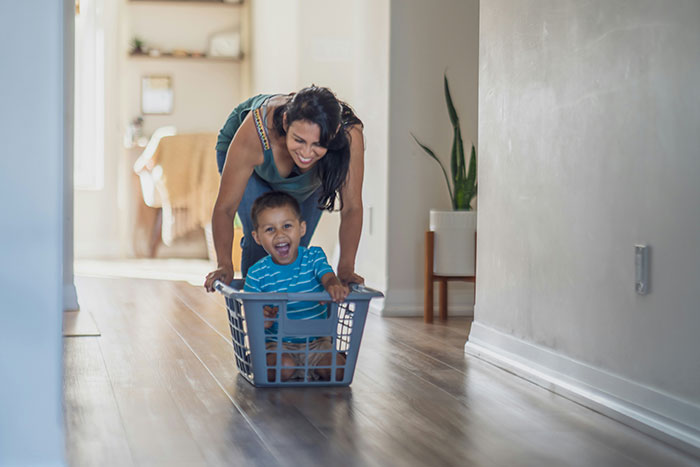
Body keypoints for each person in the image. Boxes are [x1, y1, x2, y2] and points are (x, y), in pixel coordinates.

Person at [203, 85, 365, 292]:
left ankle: (289, 320)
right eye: (299, 140)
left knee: (292, 248)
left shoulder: (349, 135)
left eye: (318, 143)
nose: (307, 152)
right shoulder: (257, 131)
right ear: (287, 121)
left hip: (308, 174)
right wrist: (224, 264)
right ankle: (259, 319)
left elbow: (352, 207)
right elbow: (225, 208)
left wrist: (346, 269)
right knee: (263, 240)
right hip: (250, 159)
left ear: (333, 135)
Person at [243, 191, 348, 382]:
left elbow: (327, 276)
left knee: (339, 369)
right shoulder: (256, 273)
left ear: (302, 228)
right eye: (269, 229)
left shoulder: (314, 257)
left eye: (287, 226)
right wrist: (264, 319)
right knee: (283, 366)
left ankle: (309, 371)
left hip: (317, 344)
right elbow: (253, 322)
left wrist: (333, 284)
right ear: (257, 237)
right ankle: (270, 366)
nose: (280, 234)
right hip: (277, 346)